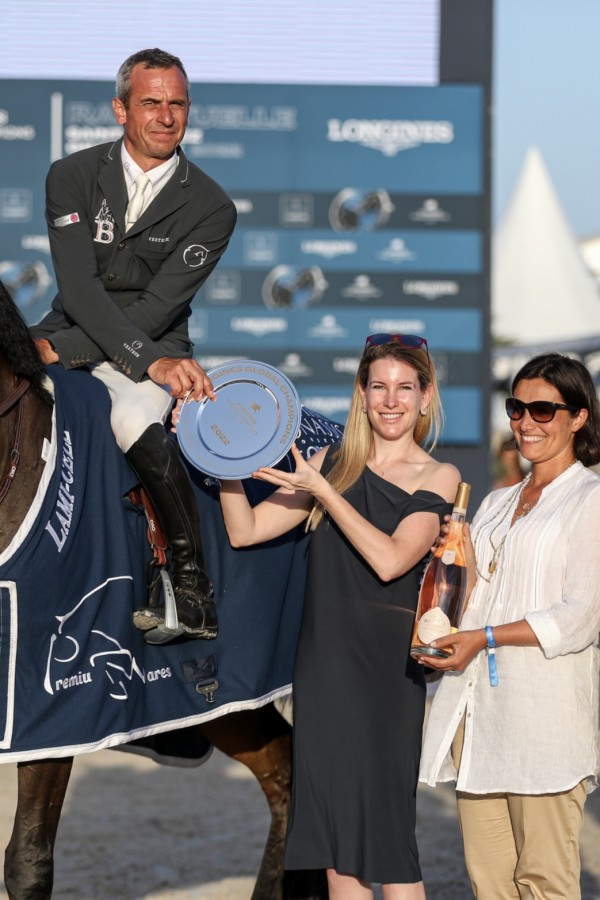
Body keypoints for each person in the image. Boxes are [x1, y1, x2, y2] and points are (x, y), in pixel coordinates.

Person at [218, 333, 461, 899]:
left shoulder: (438, 475)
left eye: (405, 388)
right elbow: (245, 530)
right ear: (362, 393)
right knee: (335, 851)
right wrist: (223, 461)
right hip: (324, 667)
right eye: (379, 387)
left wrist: (325, 492)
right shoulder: (329, 463)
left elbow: (392, 560)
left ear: (426, 397)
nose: (391, 401)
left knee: (390, 845)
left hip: (386, 674)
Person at [31, 48, 237, 639]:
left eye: (178, 104)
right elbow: (80, 290)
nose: (166, 117)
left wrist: (77, 352)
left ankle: (190, 586)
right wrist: (59, 345)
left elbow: (155, 308)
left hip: (154, 346)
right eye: (151, 103)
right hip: (73, 329)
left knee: (129, 420)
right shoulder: (71, 175)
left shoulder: (213, 206)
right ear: (121, 109)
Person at [418, 352, 600, 900]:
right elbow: (478, 600)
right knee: (490, 885)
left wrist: (484, 638)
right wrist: (458, 576)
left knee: (544, 884)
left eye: (543, 410)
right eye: (517, 408)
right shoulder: (496, 502)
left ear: (578, 417)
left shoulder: (590, 499)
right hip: (479, 720)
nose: (526, 422)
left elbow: (582, 616)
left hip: (545, 724)